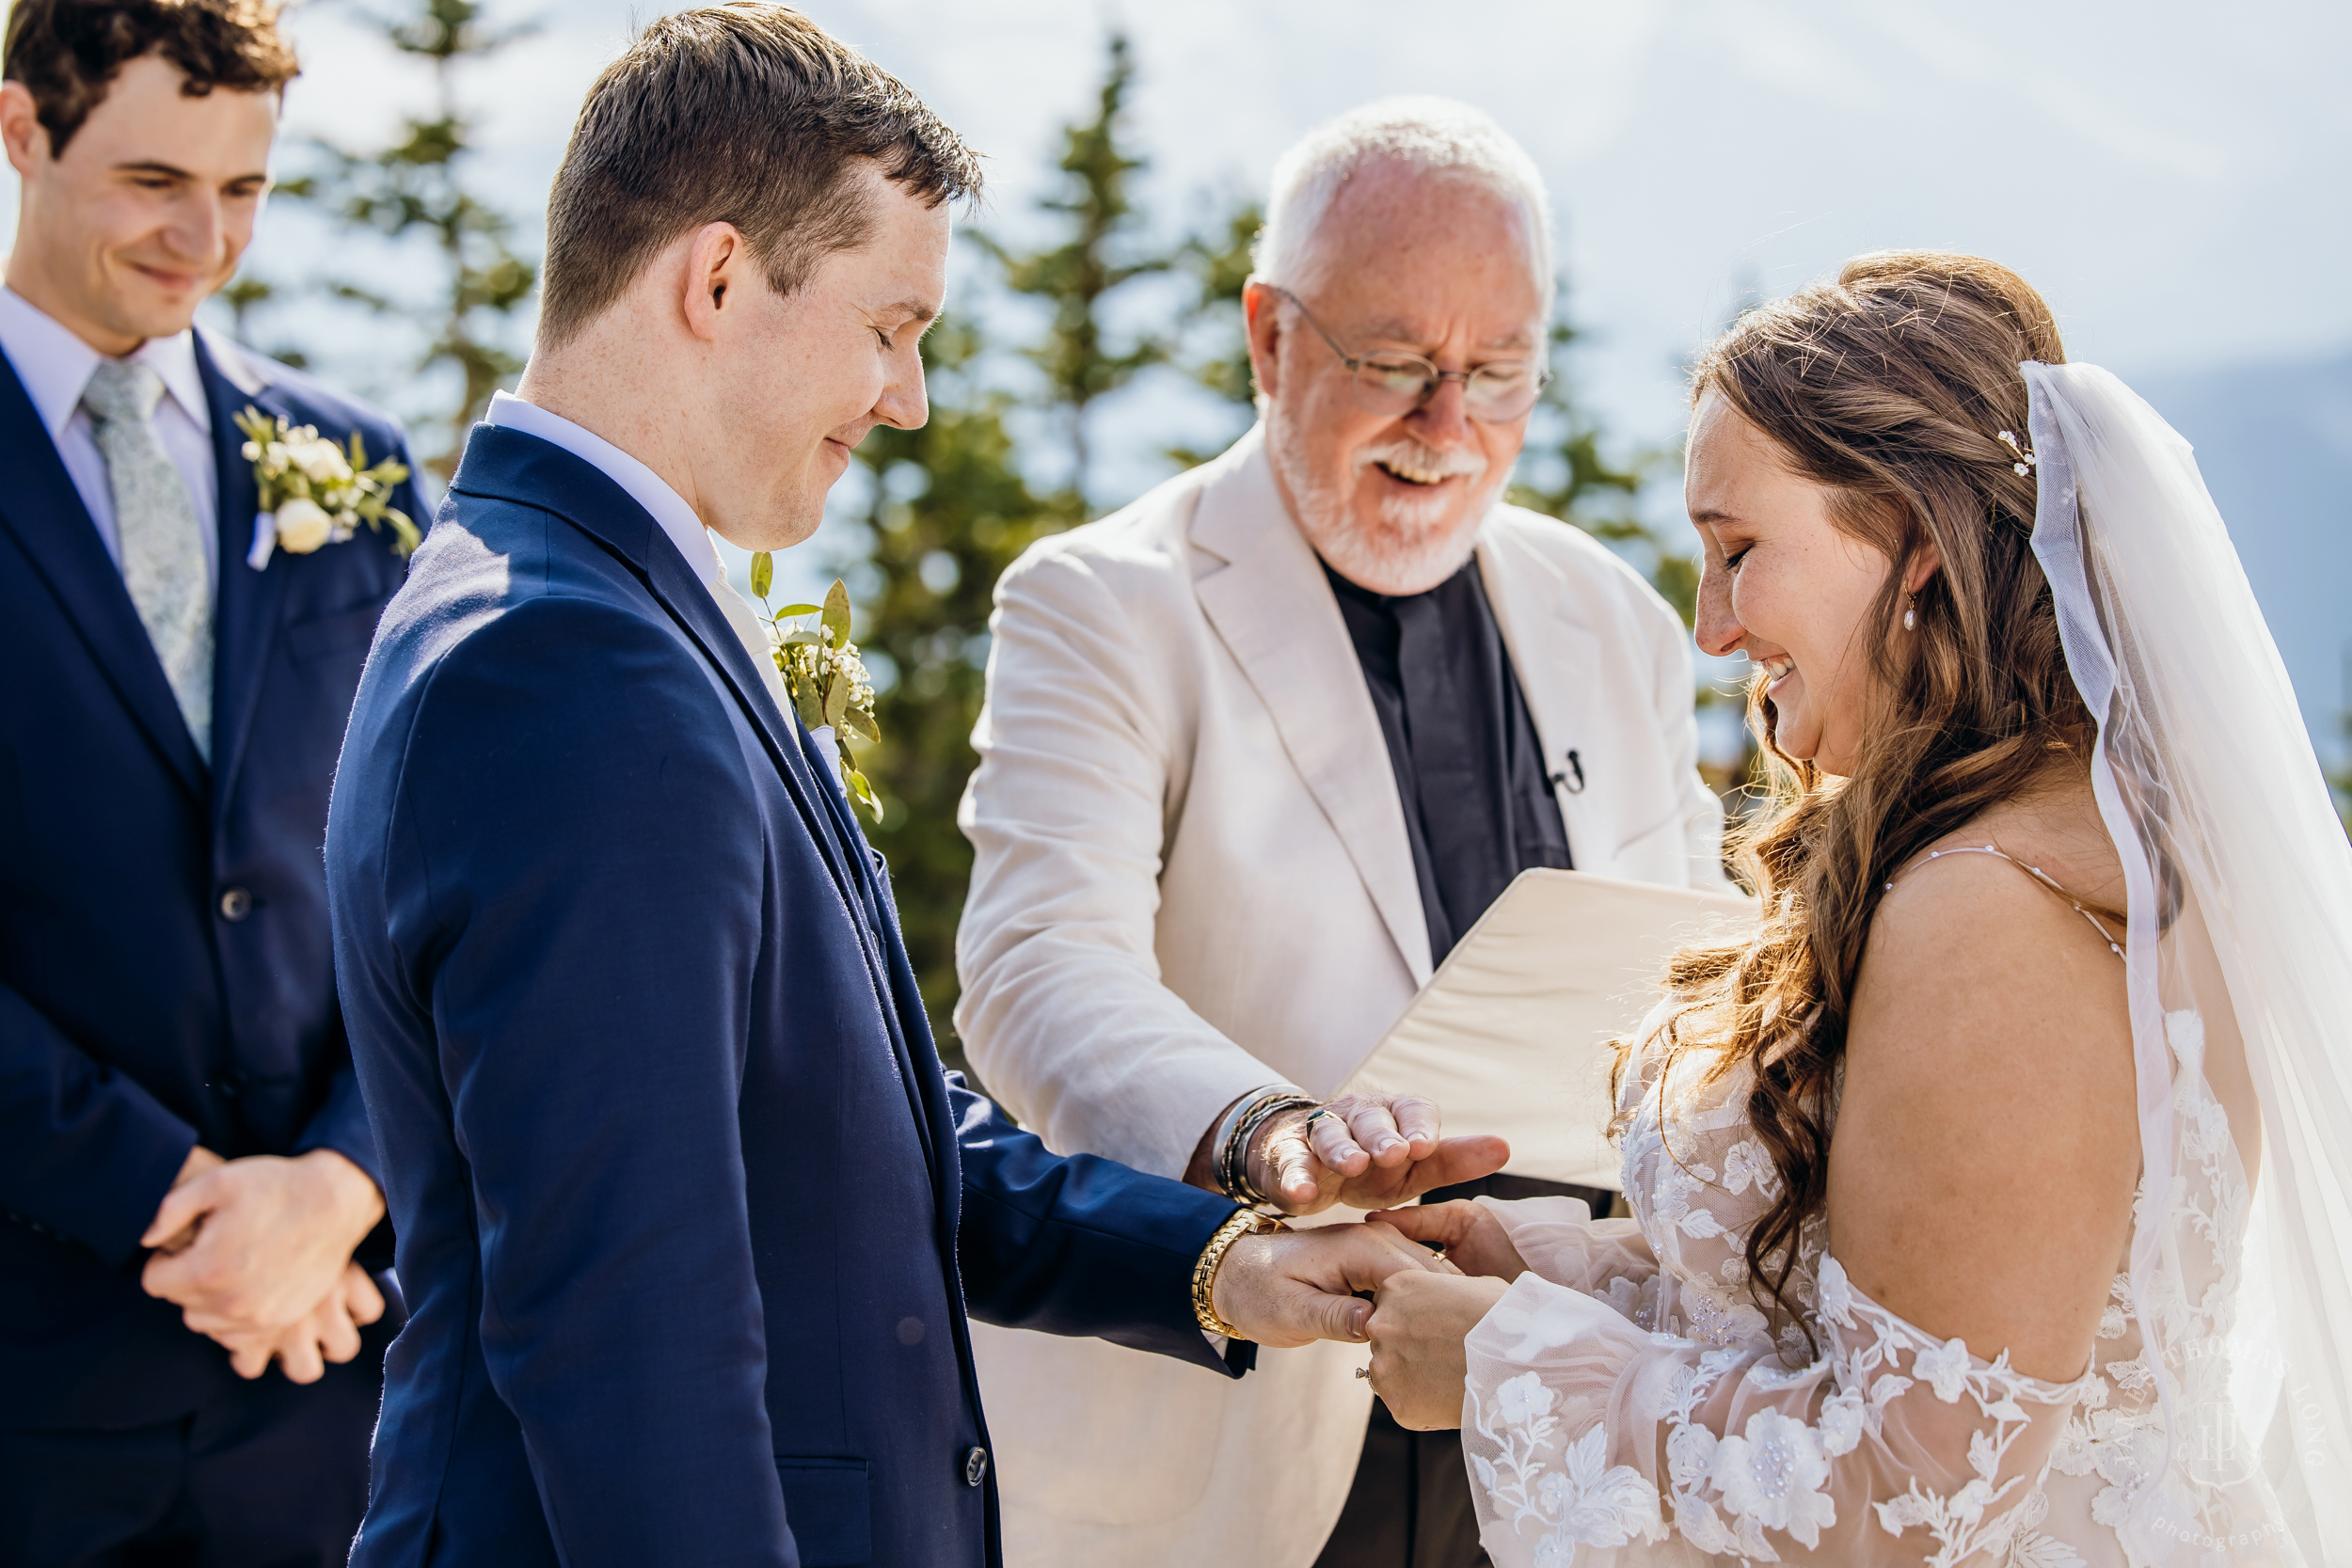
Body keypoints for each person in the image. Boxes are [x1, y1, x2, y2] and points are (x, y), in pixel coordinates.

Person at [323, 10, 1481, 1567]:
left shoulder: (604, 611)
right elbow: (626, 1330)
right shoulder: (566, 668)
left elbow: (843, 1124)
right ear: (716, 281)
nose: (908, 396)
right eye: (890, 326)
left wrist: (1222, 1263)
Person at [1362, 251, 2352, 1564]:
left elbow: (1911, 1499)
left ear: (1916, 549)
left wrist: (1508, 1365)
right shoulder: (2073, 837)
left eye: (1738, 552)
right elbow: (1862, 1317)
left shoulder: (1989, 910)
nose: (1711, 627)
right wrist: (1541, 1268)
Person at [954, 100, 1727, 1568]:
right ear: (1269, 336)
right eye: (1395, 368)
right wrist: (1272, 1138)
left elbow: (1696, 988)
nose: (1451, 428)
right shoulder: (1101, 603)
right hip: (1236, 1435)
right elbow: (1039, 969)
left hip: (1554, 1410)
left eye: (1498, 373)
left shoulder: (1617, 621)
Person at [0, 4, 425, 1563]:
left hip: (333, 1382)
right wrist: (175, 1201)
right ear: (21, 130)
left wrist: (336, 1181)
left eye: (244, 191)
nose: (203, 240)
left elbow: (453, 884)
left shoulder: (361, 471)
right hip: (31, 1380)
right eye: (153, 180)